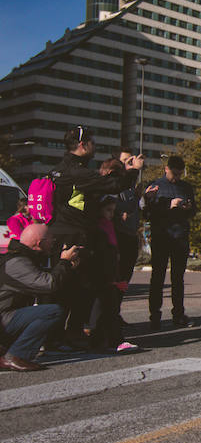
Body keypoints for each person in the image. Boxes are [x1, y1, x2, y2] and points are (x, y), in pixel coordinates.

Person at [48, 126, 143, 346]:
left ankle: (62, 335)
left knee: (66, 288)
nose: (94, 145)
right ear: (82, 145)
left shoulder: (58, 170)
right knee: (84, 287)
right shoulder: (79, 173)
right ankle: (66, 335)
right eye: (92, 141)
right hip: (77, 237)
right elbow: (116, 185)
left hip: (61, 233)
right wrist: (134, 170)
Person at [0, 224, 79, 371]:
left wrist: (68, 267)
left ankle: (9, 350)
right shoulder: (16, 262)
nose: (53, 242)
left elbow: (47, 278)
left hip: (5, 318)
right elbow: (48, 284)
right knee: (52, 312)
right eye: (51, 239)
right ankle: (16, 356)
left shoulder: (22, 258)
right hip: (3, 319)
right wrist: (64, 262)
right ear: (39, 243)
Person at [144, 155, 196, 330]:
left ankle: (179, 314)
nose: (177, 178)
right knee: (157, 277)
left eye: (180, 174)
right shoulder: (155, 186)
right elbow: (147, 212)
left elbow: (194, 210)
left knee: (178, 278)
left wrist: (188, 207)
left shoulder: (186, 187)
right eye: (175, 174)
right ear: (166, 169)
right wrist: (168, 206)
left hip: (180, 236)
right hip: (161, 235)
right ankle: (155, 315)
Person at [85, 190, 138, 352]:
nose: (111, 214)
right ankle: (112, 339)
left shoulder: (109, 224)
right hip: (102, 271)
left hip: (110, 270)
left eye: (113, 211)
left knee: (109, 305)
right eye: (108, 210)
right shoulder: (98, 226)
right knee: (105, 305)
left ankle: (106, 338)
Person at [113, 147, 144, 325]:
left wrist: (142, 196)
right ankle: (109, 315)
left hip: (131, 236)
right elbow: (122, 210)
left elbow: (136, 210)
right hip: (118, 236)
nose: (131, 164)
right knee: (115, 279)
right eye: (127, 161)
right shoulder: (116, 185)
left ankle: (115, 312)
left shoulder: (131, 187)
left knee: (124, 279)